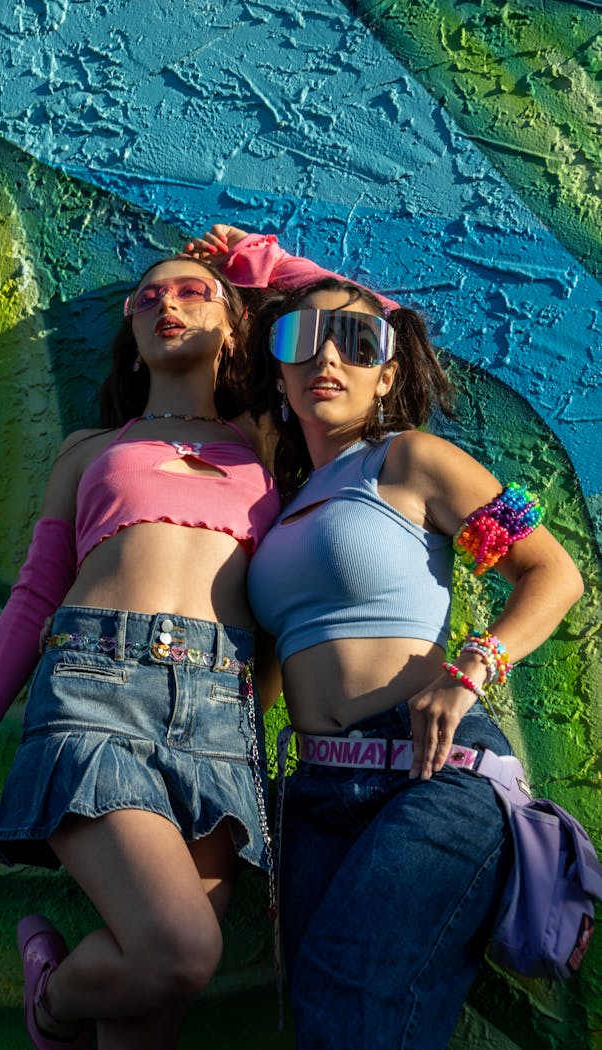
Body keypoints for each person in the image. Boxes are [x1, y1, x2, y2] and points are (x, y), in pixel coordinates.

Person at [0, 255, 283, 1050]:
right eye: (147, 297)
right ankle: (50, 1004)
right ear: (132, 332)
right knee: (178, 951)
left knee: (149, 1009)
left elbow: (374, 327)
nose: (166, 304)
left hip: (221, 713)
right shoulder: (91, 449)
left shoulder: (264, 442)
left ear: (233, 324)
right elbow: (33, 594)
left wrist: (268, 264)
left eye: (193, 291)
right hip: (95, 688)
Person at [240, 268, 584, 1048]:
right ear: (280, 371)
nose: (328, 356)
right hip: (315, 793)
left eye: (357, 342)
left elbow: (552, 573)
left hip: (432, 768)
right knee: (329, 1021)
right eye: (302, 339)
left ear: (387, 373)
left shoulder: (410, 462)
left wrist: (472, 668)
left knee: (349, 991)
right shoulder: (277, 503)